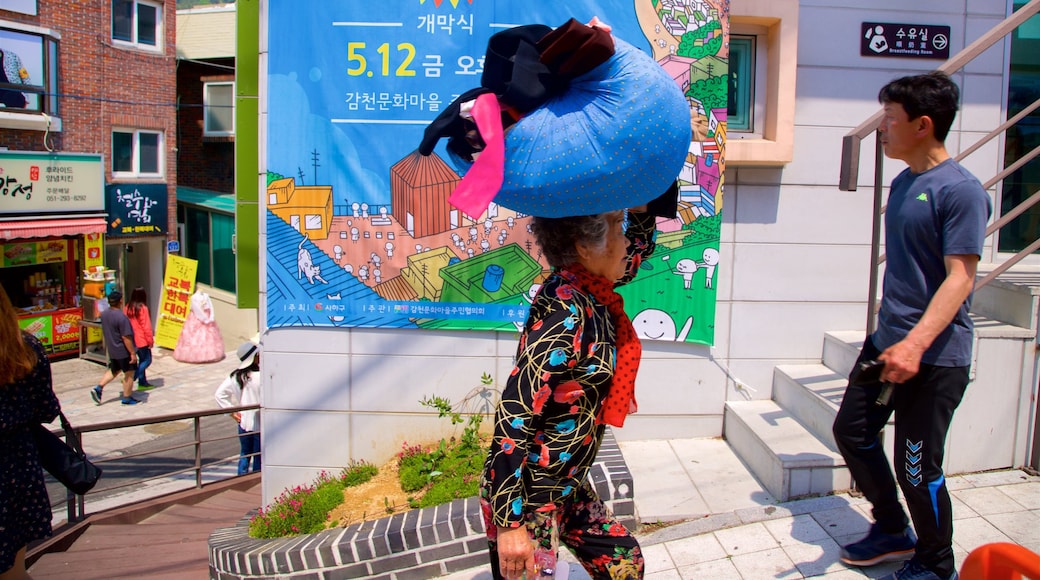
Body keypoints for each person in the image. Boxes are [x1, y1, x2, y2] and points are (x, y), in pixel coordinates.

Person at [832, 71, 992, 580]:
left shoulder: (961, 191)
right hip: (887, 342)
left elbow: (960, 277)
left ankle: (936, 562)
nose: (882, 129)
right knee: (852, 432)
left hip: (935, 356)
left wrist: (915, 345)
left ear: (922, 125)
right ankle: (892, 528)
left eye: (890, 120)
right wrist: (891, 340)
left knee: (918, 468)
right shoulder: (905, 181)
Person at [480, 207, 656, 580]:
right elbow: (516, 411)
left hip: (566, 484)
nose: (625, 242)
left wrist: (641, 209)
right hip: (529, 498)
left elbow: (636, 253)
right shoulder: (566, 312)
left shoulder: (589, 288)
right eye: (615, 229)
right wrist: (510, 525)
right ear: (585, 247)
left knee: (623, 563)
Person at [0, 285, 61, 579]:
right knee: (14, 569)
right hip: (17, 468)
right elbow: (47, 409)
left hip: (16, 467)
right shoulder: (26, 348)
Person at [215, 341, 262, 475]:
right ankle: (255, 480)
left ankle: (241, 478)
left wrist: (232, 413)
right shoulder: (261, 376)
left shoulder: (236, 376)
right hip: (259, 423)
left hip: (243, 422)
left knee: (244, 454)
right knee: (259, 456)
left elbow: (219, 394)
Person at [89, 290, 139, 406]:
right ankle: (127, 398)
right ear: (120, 301)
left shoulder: (104, 314)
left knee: (114, 370)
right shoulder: (122, 317)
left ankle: (98, 388)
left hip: (112, 350)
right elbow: (126, 337)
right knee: (129, 373)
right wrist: (132, 353)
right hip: (123, 351)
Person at [124, 287, 156, 389]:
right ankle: (135, 376)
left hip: (131, 338)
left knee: (141, 360)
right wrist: (150, 340)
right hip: (141, 339)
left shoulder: (127, 307)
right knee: (147, 360)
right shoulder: (143, 308)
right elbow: (146, 327)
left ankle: (142, 382)